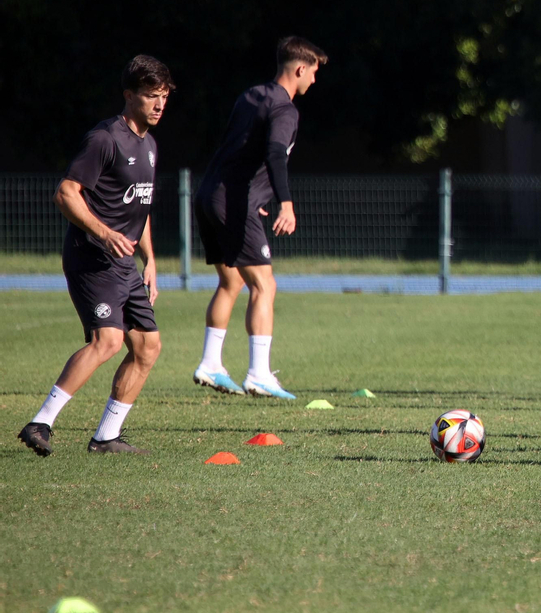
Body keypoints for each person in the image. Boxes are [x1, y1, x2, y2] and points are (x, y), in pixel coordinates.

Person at [17, 56, 174, 457]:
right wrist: (104, 233)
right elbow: (66, 193)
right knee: (108, 340)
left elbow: (142, 206)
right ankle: (41, 422)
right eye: (151, 96)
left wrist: (150, 261)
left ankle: (106, 437)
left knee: (148, 347)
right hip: (91, 257)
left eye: (164, 96)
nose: (159, 104)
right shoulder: (105, 139)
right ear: (129, 95)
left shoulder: (151, 145)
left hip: (125, 263)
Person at [190, 36, 326, 400]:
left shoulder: (250, 96)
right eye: (313, 73)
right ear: (299, 69)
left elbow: (240, 150)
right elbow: (275, 153)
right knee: (265, 285)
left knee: (231, 282)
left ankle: (210, 364)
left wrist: (258, 193)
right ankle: (259, 374)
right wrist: (285, 203)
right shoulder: (286, 109)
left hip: (209, 195)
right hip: (233, 203)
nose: (313, 81)